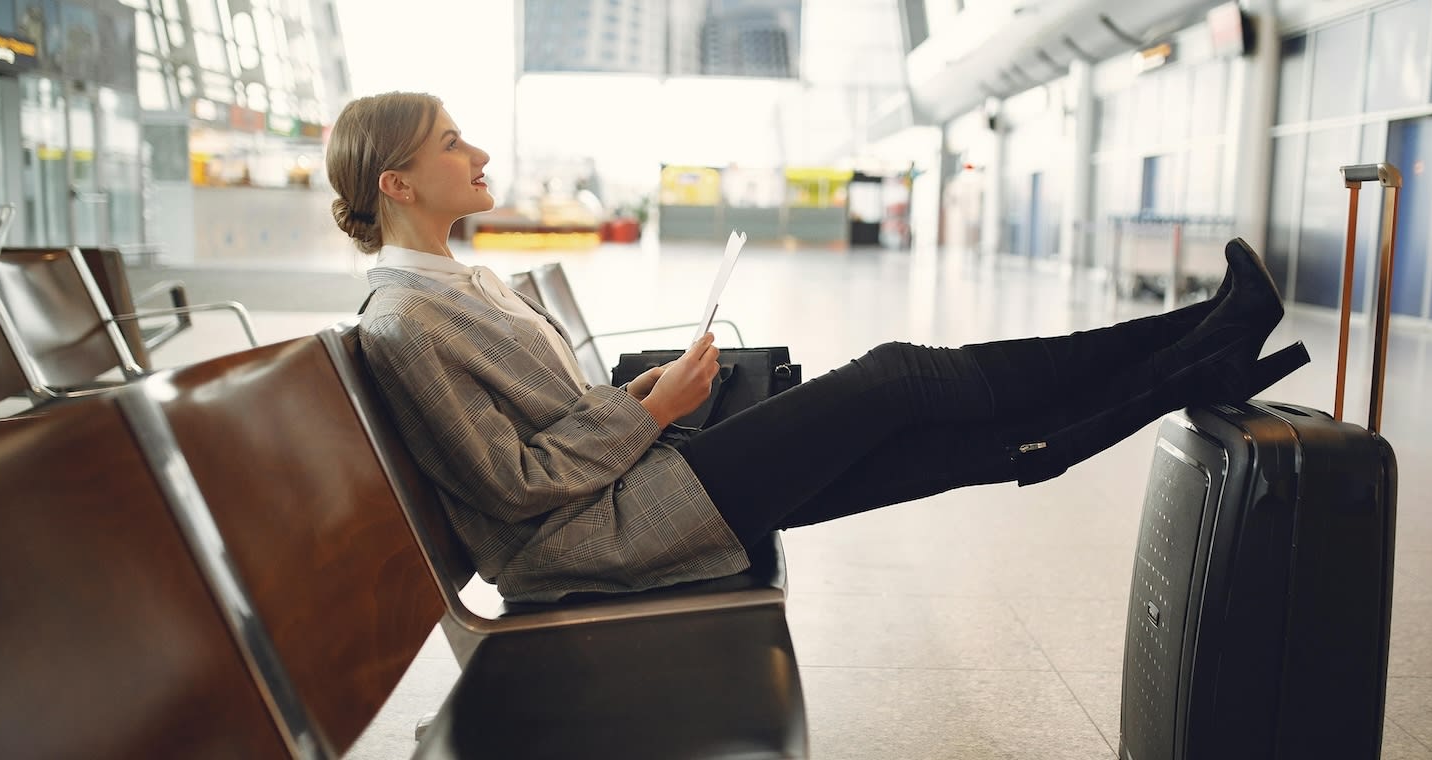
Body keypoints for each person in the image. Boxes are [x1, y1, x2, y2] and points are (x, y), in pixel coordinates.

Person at [327, 92, 1309, 603]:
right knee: (896, 379)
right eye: (450, 143)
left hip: (630, 486)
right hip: (595, 536)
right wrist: (650, 408)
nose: (478, 155)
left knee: (921, 442)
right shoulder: (404, 324)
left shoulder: (455, 285)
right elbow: (511, 486)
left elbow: (552, 425)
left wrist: (647, 398)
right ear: (396, 185)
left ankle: (1199, 343)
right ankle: (1199, 340)